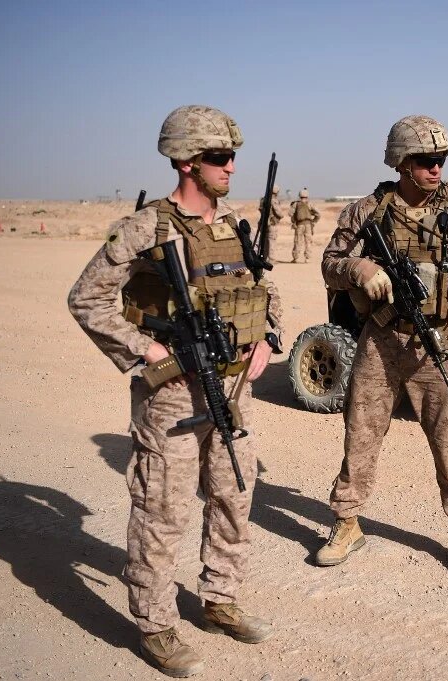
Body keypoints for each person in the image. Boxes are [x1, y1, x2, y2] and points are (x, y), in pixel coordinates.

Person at [67, 105, 283, 677]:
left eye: (234, 155)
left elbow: (264, 289)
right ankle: (156, 625)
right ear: (187, 161)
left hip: (233, 387)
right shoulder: (146, 228)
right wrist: (145, 348)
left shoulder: (231, 224)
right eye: (219, 157)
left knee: (234, 495)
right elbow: (86, 299)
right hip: (171, 393)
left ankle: (219, 598)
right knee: (162, 509)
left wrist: (266, 340)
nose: (231, 166)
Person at [314, 115, 448, 579]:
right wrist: (358, 269)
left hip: (438, 344)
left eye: (441, 160)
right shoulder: (368, 211)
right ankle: (346, 522)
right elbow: (330, 262)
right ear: (401, 163)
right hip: (381, 341)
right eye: (425, 160)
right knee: (360, 434)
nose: (436, 168)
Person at [290, 188, 320, 263]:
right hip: (308, 225)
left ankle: (295, 258)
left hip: (299, 225)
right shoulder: (310, 204)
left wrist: (294, 221)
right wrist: (314, 221)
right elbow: (318, 214)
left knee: (297, 241)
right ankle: (307, 258)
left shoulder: (296, 204)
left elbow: (290, 213)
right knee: (308, 242)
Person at [258, 185, 285, 264]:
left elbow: (260, 209)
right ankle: (271, 260)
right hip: (271, 224)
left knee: (264, 241)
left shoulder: (263, 199)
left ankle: (264, 258)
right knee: (271, 241)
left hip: (263, 223)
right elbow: (279, 213)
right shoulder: (273, 200)